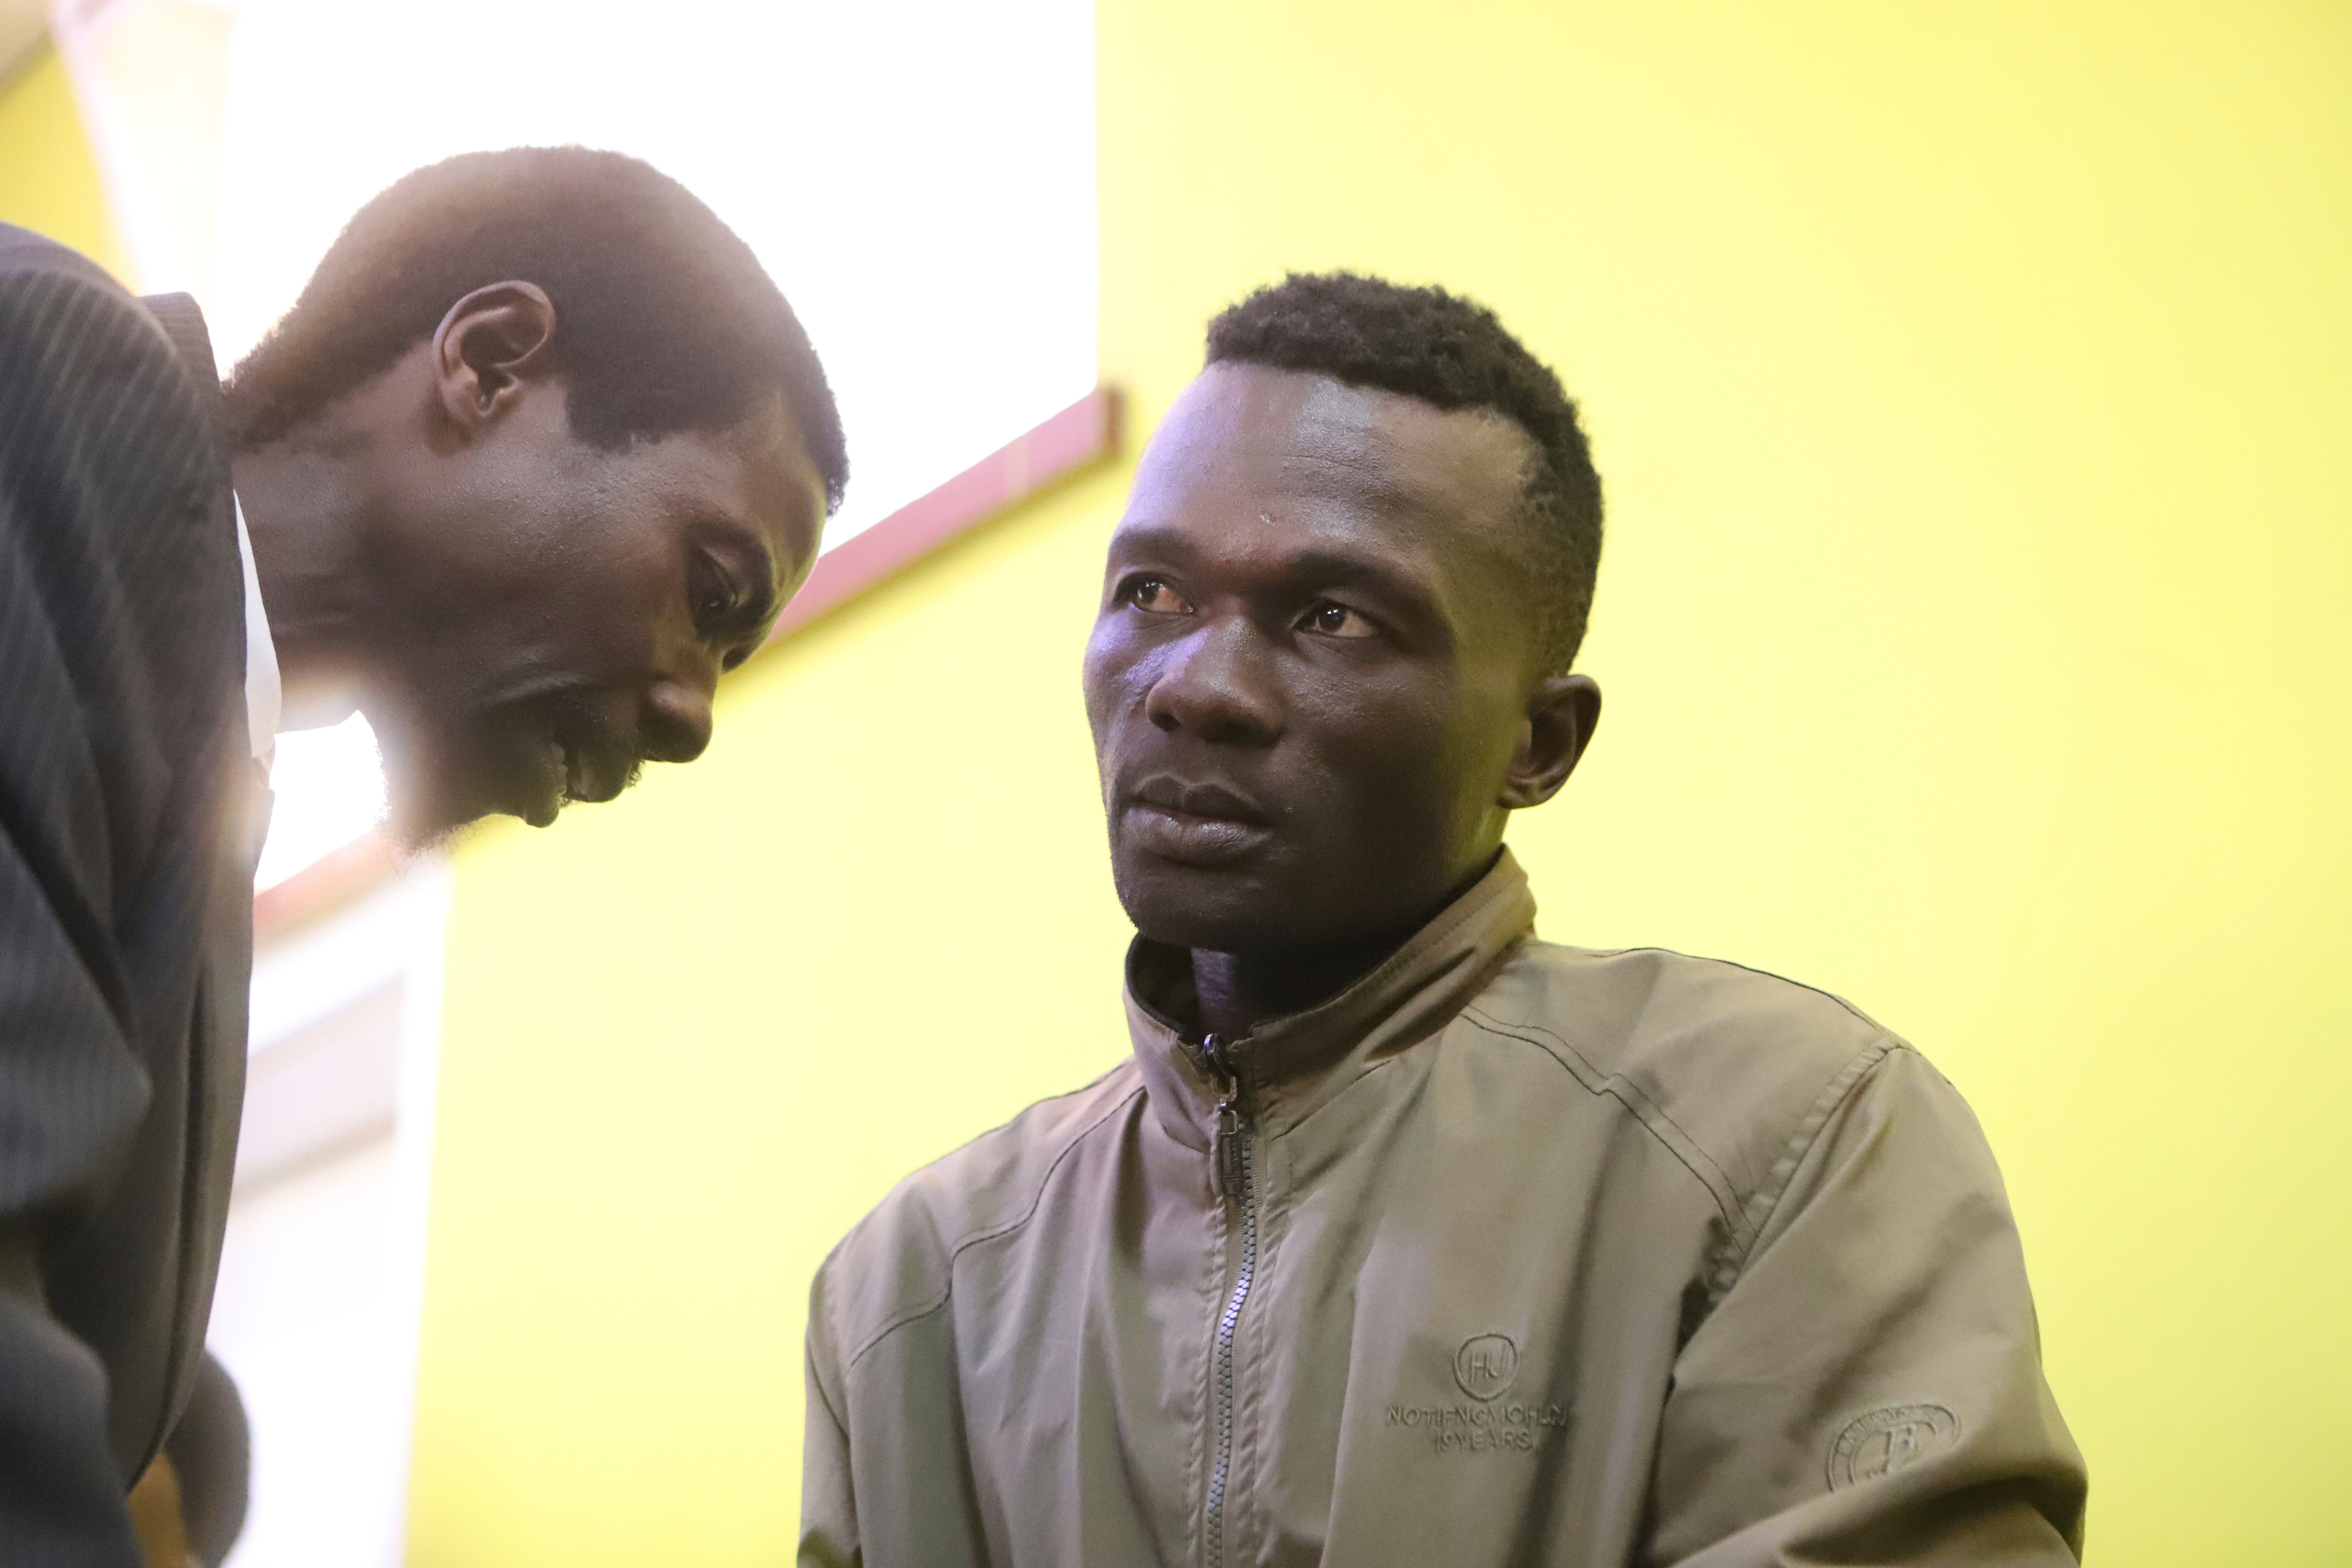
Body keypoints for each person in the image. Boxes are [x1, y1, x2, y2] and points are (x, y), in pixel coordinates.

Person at [800, 273, 2086, 1565]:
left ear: (1538, 743)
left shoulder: (1788, 1150)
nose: (1195, 687)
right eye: (1153, 594)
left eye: (1331, 617)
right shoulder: (917, 1291)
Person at [1, 146, 846, 1567]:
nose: (696, 721)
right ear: (492, 364)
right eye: (712, 594)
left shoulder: (200, 782)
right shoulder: (64, 381)